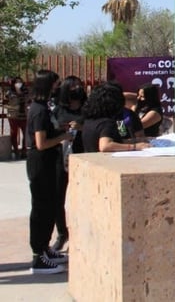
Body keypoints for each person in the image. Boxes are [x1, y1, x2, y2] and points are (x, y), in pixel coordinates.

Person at [25, 70, 69, 274]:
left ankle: (45, 248)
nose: (57, 88)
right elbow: (40, 143)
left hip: (49, 163)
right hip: (40, 163)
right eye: (55, 84)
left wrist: (59, 129)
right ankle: (38, 256)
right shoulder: (38, 110)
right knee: (41, 208)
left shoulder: (45, 108)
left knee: (50, 205)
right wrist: (63, 137)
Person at [50, 75, 87, 253]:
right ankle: (62, 233)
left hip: (83, 157)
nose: (77, 89)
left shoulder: (88, 110)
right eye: (73, 87)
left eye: (79, 86)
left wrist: (82, 128)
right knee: (58, 198)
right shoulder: (58, 111)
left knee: (83, 199)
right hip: (61, 158)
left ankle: (82, 235)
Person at [82, 83, 152, 153]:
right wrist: (135, 146)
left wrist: (136, 141)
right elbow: (105, 146)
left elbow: (120, 137)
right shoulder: (107, 123)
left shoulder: (89, 120)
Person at [4, 76, 29, 159]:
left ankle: (24, 151)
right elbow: (4, 104)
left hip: (23, 116)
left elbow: (29, 101)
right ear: (13, 83)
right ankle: (16, 150)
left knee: (25, 134)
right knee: (14, 133)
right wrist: (12, 108)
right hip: (13, 116)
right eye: (17, 82)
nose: (19, 84)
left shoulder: (25, 91)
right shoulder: (9, 93)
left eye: (20, 82)